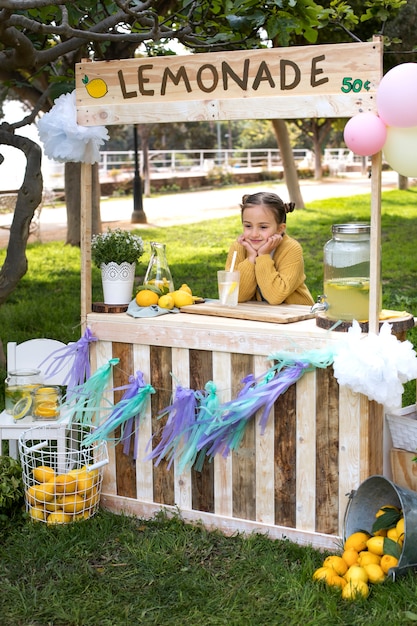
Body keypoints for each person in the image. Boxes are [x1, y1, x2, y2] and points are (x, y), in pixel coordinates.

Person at [225, 191, 314, 306]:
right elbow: (236, 295)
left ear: (280, 229)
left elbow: (276, 296)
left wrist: (263, 256)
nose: (254, 234)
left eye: (263, 227)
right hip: (258, 316)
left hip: (296, 315)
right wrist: (251, 258)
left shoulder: (291, 249)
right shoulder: (239, 248)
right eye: (248, 226)